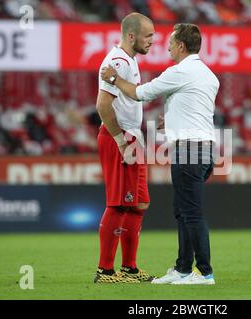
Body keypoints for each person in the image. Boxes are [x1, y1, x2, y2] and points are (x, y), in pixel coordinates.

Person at [101, 23, 219, 285]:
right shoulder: (208, 75)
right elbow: (195, 107)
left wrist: (114, 78)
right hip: (206, 148)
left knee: (192, 213)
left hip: (189, 150)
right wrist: (173, 119)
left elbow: (139, 94)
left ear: (180, 46)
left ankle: (205, 272)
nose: (165, 46)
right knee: (183, 211)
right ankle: (183, 269)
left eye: (170, 42)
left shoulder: (179, 72)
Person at [94, 12, 155, 284]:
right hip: (120, 138)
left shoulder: (128, 60)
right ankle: (105, 270)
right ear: (132, 36)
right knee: (119, 203)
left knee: (139, 202)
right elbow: (102, 105)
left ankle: (129, 267)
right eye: (148, 36)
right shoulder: (118, 62)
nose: (152, 41)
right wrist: (120, 139)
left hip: (132, 137)